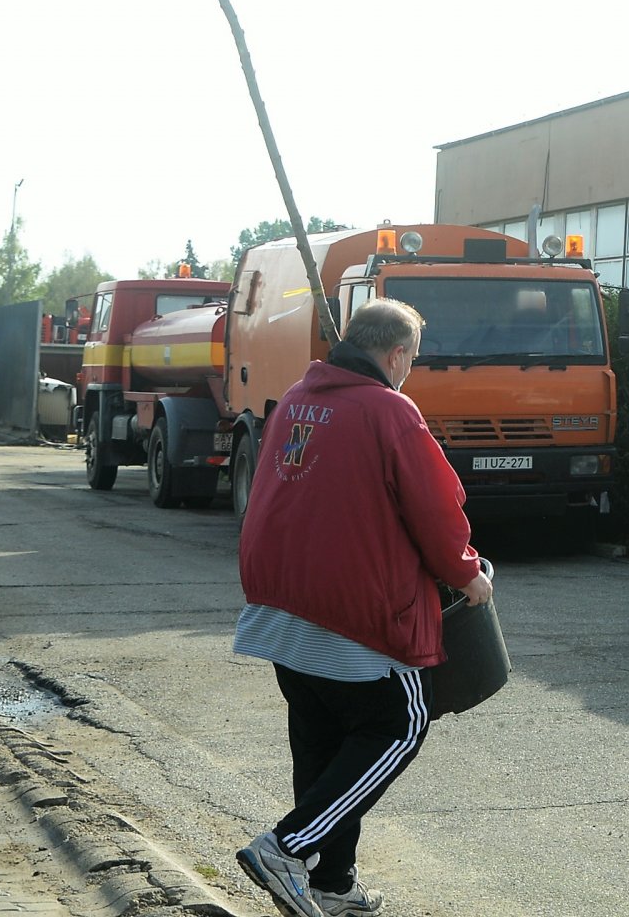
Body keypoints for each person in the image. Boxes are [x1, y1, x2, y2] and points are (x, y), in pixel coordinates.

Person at [234, 298, 492, 917]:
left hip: (280, 615)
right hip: (354, 617)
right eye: (414, 360)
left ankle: (333, 885)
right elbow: (434, 511)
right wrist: (466, 574)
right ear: (397, 353)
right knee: (399, 726)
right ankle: (286, 850)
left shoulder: (299, 397)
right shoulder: (389, 410)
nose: (411, 372)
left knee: (324, 747)